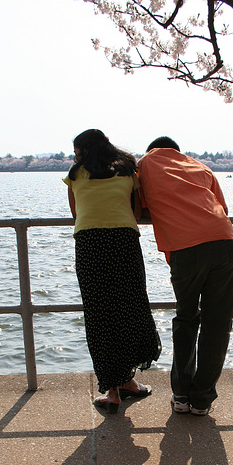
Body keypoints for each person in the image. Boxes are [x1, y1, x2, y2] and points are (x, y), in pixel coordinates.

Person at [137, 137, 233, 416]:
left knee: (186, 318)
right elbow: (223, 208)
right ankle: (202, 399)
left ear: (151, 150)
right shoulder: (200, 166)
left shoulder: (144, 164)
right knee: (217, 324)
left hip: (186, 249)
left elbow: (137, 207)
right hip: (225, 241)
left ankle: (181, 395)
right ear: (177, 152)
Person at [63, 129, 161, 413]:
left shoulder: (75, 173)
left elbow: (75, 213)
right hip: (123, 242)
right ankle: (126, 381)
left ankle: (115, 389)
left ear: (82, 152)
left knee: (99, 314)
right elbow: (137, 210)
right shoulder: (127, 170)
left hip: (91, 244)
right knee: (129, 308)